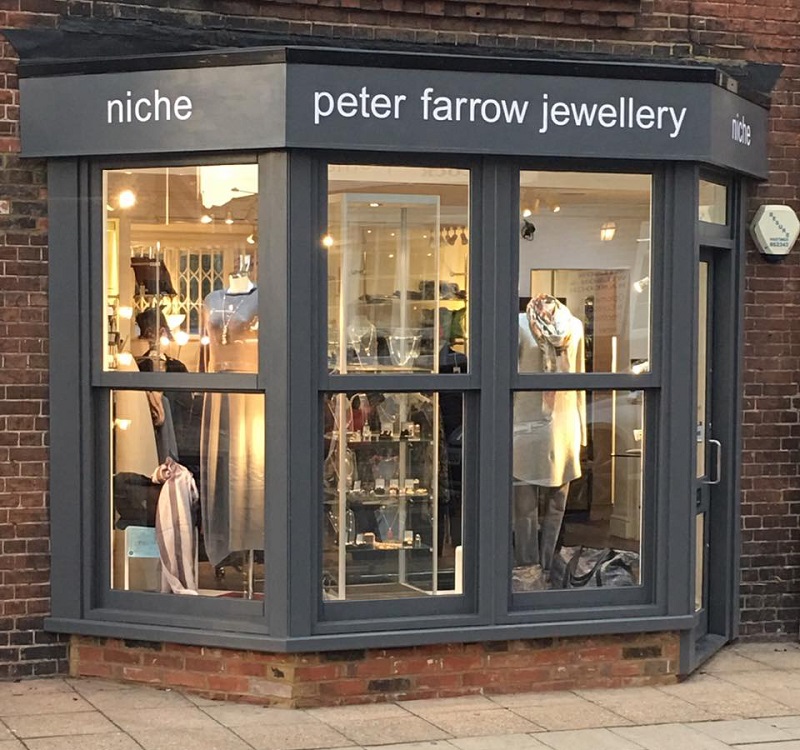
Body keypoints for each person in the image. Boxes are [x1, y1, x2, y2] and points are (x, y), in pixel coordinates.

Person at [512, 294, 586, 588]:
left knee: (557, 504)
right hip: (526, 426)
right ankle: (527, 568)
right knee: (524, 506)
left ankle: (547, 564)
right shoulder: (518, 325)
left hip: (564, 424)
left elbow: (579, 378)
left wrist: (582, 430)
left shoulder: (574, 327)